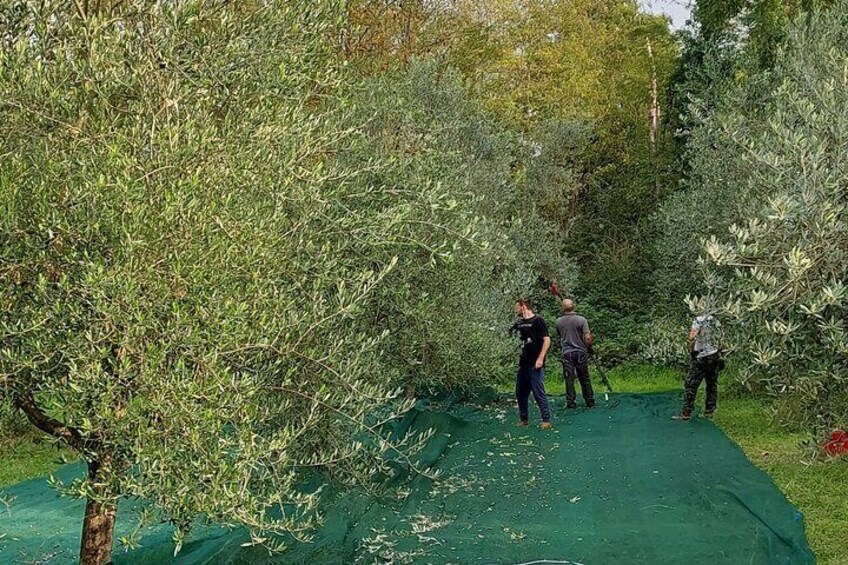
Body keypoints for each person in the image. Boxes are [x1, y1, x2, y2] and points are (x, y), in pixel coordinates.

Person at [511, 299, 553, 429]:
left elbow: (546, 340)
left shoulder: (537, 320)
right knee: (520, 392)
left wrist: (541, 358)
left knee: (538, 391)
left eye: (516, 306)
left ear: (523, 306)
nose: (515, 309)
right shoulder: (517, 323)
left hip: (535, 363)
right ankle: (524, 419)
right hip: (522, 364)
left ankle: (546, 420)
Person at [674, 312, 723, 421]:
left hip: (701, 357)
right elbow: (721, 337)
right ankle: (709, 411)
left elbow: (692, 337)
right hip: (714, 356)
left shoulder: (699, 320)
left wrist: (691, 350)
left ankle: (686, 413)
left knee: (691, 385)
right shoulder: (715, 320)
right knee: (711, 384)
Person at [555, 299, 595, 409]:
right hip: (580, 352)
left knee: (569, 378)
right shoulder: (582, 320)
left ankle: (571, 402)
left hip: (567, 353)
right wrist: (590, 347)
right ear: (574, 307)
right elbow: (587, 337)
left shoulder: (558, 321)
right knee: (584, 378)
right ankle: (589, 401)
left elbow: (560, 335)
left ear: (563, 308)